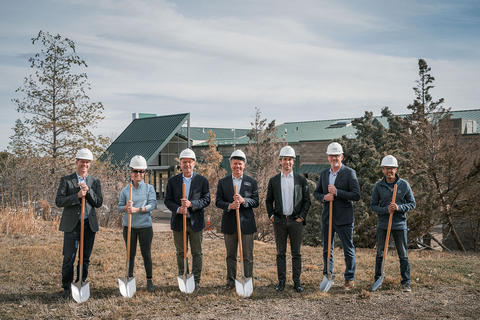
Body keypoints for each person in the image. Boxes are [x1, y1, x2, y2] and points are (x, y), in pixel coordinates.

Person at [55, 148, 103, 299]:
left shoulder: (95, 182)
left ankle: (80, 282)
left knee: (85, 257)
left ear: (90, 164)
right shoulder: (66, 180)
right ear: (76, 162)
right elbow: (59, 201)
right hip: (72, 225)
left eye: (87, 162)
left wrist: (88, 192)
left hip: (89, 225)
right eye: (82, 161)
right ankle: (66, 287)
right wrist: (77, 195)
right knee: (69, 257)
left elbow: (99, 202)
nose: (84, 164)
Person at [314, 142, 361, 290]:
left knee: (348, 248)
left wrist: (337, 192)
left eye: (336, 156)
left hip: (344, 218)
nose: (334, 158)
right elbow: (316, 193)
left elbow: (356, 195)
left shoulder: (349, 173)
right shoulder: (324, 174)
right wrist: (324, 198)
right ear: (328, 157)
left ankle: (349, 278)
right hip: (328, 218)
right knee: (327, 249)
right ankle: (327, 274)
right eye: (331, 156)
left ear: (342, 156)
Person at [266, 146, 311, 292]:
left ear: (293, 161)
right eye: (285, 159)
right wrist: (272, 216)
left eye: (290, 159)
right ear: (280, 161)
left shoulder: (301, 180)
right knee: (280, 253)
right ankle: (281, 282)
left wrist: (302, 216)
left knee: (296, 253)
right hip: (279, 221)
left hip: (295, 221)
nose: (287, 162)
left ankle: (297, 282)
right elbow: (268, 200)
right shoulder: (273, 181)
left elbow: (307, 201)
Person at [164, 148, 210, 290]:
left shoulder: (202, 180)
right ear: (180, 163)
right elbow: (168, 200)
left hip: (195, 222)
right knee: (181, 252)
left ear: (194, 163)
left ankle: (196, 280)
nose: (187, 165)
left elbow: (206, 199)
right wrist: (178, 209)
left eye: (190, 162)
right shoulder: (173, 181)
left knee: (197, 252)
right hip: (179, 223)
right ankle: (184, 277)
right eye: (184, 162)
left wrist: (192, 204)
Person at [370, 155, 416, 292]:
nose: (389, 171)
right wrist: (386, 210)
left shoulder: (404, 185)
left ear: (396, 169)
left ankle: (406, 282)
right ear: (383, 170)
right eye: (386, 168)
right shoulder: (378, 186)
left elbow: (412, 203)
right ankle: (378, 278)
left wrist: (399, 208)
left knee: (403, 254)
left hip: (399, 225)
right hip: (383, 225)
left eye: (392, 168)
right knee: (380, 253)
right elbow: (373, 206)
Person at [216, 149, 259, 291]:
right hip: (229, 224)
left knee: (247, 255)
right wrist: (230, 205)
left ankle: (247, 280)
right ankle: (230, 281)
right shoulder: (223, 182)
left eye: (240, 164)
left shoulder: (251, 182)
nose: (237, 166)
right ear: (231, 164)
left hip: (246, 224)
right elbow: (218, 201)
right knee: (230, 255)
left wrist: (243, 200)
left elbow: (256, 201)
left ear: (244, 165)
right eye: (235, 164)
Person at [118, 155, 157, 292]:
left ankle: (149, 280)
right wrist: (126, 208)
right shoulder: (125, 190)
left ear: (144, 173)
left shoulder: (149, 188)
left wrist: (138, 209)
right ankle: (129, 277)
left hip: (145, 226)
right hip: (129, 227)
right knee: (130, 253)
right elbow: (119, 207)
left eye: (141, 171)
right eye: (136, 171)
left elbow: (153, 205)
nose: (138, 174)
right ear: (131, 173)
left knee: (146, 253)